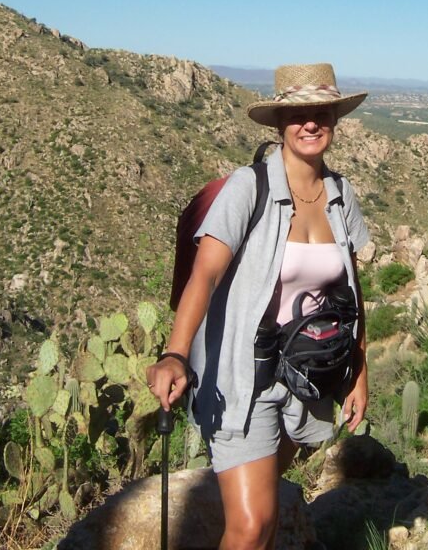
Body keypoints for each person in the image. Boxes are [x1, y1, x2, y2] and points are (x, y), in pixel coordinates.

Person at [147, 62, 370, 550]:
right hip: (242, 378)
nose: (311, 123)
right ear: (278, 124)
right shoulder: (249, 188)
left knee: (266, 521)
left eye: (322, 112)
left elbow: (352, 290)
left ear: (335, 118)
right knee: (249, 528)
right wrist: (175, 354)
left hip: (307, 373)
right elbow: (204, 275)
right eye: (298, 114)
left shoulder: (341, 195)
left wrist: (360, 370)